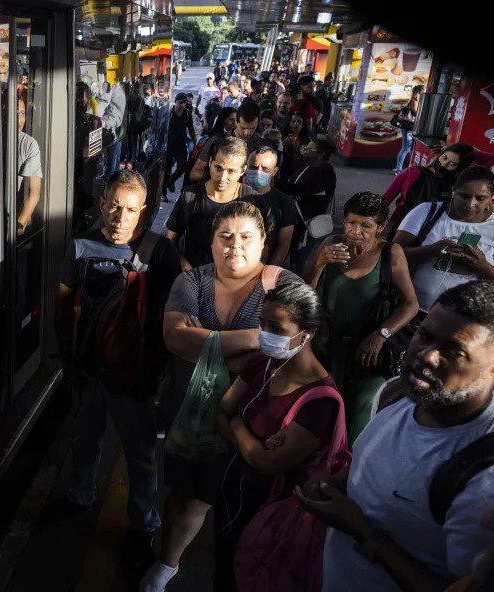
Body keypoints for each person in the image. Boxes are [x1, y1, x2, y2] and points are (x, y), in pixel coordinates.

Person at [143, 201, 301, 592]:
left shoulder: (285, 286)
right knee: (190, 497)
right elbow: (174, 338)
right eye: (225, 236)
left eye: (246, 237)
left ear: (263, 242)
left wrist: (205, 341)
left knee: (248, 506)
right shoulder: (191, 282)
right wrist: (252, 339)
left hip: (256, 420)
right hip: (194, 417)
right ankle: (167, 565)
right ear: (211, 242)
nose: (235, 246)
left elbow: (291, 351)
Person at [296, 280, 494, 591]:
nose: (427, 356)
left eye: (454, 351)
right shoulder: (399, 392)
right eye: (425, 335)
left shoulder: (484, 478)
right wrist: (335, 483)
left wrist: (364, 533)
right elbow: (377, 464)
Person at [55, 170, 179, 571]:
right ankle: (80, 497)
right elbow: (62, 307)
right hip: (91, 372)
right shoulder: (79, 248)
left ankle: (143, 525)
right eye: (113, 206)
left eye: (130, 210)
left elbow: (171, 318)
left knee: (141, 455)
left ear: (143, 211)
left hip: (135, 379)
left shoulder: (159, 254)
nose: (120, 217)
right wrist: (68, 363)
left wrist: (158, 375)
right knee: (86, 440)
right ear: (101, 204)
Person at [209, 282, 342, 592]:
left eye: (277, 328)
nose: (265, 333)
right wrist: (252, 446)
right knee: (224, 569)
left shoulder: (320, 400)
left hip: (272, 509)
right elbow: (219, 414)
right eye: (262, 324)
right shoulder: (261, 363)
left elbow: (268, 465)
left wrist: (239, 426)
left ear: (307, 334)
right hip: (233, 488)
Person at [305, 192, 419, 443]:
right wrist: (319, 264)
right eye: (351, 222)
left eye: (366, 226)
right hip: (328, 348)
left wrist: (381, 335)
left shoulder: (391, 252)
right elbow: (305, 294)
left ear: (381, 227)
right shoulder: (330, 245)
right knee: (320, 413)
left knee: (361, 411)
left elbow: (411, 305)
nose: (356, 231)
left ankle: (348, 470)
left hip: (370, 355)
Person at [395, 167, 494, 313]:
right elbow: (391, 254)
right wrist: (432, 250)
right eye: (464, 196)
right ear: (454, 191)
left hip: (467, 321)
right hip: (412, 313)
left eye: (480, 198)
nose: (470, 204)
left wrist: (482, 265)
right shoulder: (426, 211)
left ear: (491, 196)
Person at [167, 137, 258, 271]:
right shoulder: (190, 196)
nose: (222, 177)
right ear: (210, 162)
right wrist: (183, 264)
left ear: (242, 171)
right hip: (193, 277)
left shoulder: (251, 200)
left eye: (231, 171)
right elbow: (170, 239)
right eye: (218, 168)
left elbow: (258, 246)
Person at [276, 138, 337, 274]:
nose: (304, 152)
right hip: (292, 220)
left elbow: (303, 189)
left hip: (306, 225)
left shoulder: (326, 174)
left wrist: (276, 185)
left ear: (320, 154)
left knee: (299, 260)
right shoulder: (306, 167)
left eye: (309, 150)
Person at [383, 142, 476, 226]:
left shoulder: (457, 185)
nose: (444, 164)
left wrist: (468, 152)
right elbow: (385, 200)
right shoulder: (411, 173)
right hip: (401, 226)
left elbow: (490, 160)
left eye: (452, 164)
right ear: (440, 154)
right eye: (444, 158)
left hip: (435, 232)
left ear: (460, 168)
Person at [243, 145, 296, 266]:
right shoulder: (234, 194)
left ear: (274, 171)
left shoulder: (285, 203)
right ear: (246, 167)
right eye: (254, 167)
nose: (258, 172)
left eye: (265, 169)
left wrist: (266, 273)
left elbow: (283, 245)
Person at [15, 97, 43, 236]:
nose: (19, 119)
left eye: (22, 113)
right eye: (15, 113)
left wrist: (18, 226)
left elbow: (34, 193)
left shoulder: (29, 144)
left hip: (14, 213)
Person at [165, 92, 197, 201]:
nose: (182, 105)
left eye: (184, 103)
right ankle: (164, 192)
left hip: (181, 145)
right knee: (166, 170)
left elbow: (191, 129)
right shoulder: (168, 113)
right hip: (168, 146)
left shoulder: (187, 114)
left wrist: (195, 142)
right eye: (180, 103)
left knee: (182, 167)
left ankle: (172, 180)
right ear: (175, 102)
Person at [97, 80, 127, 184]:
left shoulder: (115, 89)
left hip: (110, 134)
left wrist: (101, 123)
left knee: (111, 169)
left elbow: (116, 116)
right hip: (98, 135)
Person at [393, 85, 424, 174]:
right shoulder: (415, 102)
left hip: (408, 128)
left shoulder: (413, 101)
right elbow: (418, 114)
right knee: (406, 149)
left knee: (408, 149)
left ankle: (405, 167)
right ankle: (399, 169)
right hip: (409, 128)